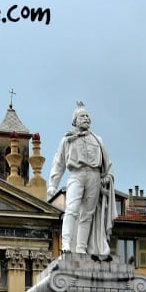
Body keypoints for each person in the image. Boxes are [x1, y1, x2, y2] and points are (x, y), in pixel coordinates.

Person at [47, 102, 116, 258]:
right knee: (71, 209)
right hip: (76, 175)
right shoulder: (68, 139)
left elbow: (108, 163)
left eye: (87, 116)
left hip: (94, 176)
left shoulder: (98, 140)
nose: (86, 118)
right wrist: (53, 185)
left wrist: (107, 176)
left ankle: (81, 248)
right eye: (82, 116)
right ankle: (66, 246)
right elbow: (59, 162)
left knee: (88, 214)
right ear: (75, 120)